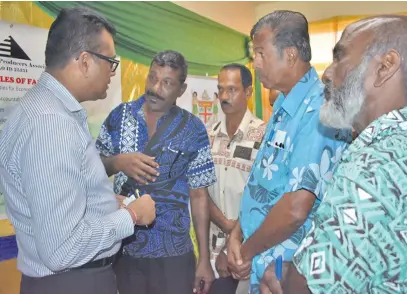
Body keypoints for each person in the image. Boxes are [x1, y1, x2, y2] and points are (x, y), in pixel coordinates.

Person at [260, 14, 407, 294]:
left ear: (385, 67)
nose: (327, 73)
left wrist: (280, 275)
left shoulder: (374, 168)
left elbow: (306, 287)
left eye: (340, 58)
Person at [0, 7, 156, 294]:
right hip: (72, 282)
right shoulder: (52, 125)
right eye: (110, 61)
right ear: (85, 61)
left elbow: (58, 204)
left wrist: (108, 204)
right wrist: (131, 216)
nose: (112, 71)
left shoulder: (42, 110)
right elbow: (61, 248)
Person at [226, 10, 351, 294]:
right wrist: (237, 233)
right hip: (259, 257)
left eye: (260, 53)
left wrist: (244, 251)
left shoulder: (320, 110)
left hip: (286, 273)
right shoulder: (284, 104)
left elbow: (296, 208)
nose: (254, 63)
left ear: (291, 55)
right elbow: (264, 180)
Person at [96, 50, 216, 294]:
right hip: (123, 249)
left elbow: (199, 195)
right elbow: (89, 170)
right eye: (152, 78)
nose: (155, 87)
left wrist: (204, 258)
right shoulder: (119, 117)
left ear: (181, 90)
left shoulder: (193, 129)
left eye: (167, 83)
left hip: (173, 256)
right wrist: (118, 162)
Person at [206, 64, 266, 294]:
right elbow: (199, 190)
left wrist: (235, 236)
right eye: (220, 89)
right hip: (208, 249)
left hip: (246, 252)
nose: (224, 96)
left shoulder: (263, 135)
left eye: (232, 90)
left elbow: (264, 195)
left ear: (249, 92)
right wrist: (222, 222)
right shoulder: (208, 133)